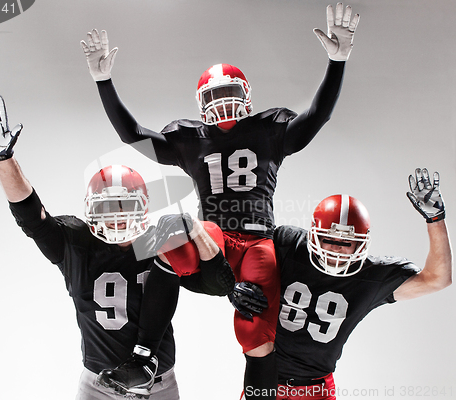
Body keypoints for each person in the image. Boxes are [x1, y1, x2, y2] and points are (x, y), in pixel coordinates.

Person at [81, 3, 360, 398]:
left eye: (230, 92)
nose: (224, 102)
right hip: (214, 241)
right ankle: (145, 360)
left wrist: (337, 61)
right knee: (171, 237)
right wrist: (103, 81)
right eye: (215, 95)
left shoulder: (269, 129)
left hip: (258, 242)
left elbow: (317, 116)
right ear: (199, 103)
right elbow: (133, 134)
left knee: (255, 332)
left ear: (247, 96)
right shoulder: (189, 138)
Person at [0, 93, 235, 400]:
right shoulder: (75, 243)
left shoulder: (161, 242)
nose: (118, 218)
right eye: (109, 208)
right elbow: (31, 215)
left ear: (144, 208)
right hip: (99, 386)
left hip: (157, 383)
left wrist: (195, 229)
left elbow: (218, 285)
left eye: (125, 207)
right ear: (92, 211)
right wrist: (3, 159)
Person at [267, 169, 452, 400]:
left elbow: (438, 278)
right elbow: (239, 259)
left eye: (346, 242)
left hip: (315, 390)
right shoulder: (287, 244)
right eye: (328, 239)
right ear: (313, 234)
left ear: (361, 244)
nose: (336, 248)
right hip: (263, 378)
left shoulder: (371, 276)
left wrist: (435, 220)